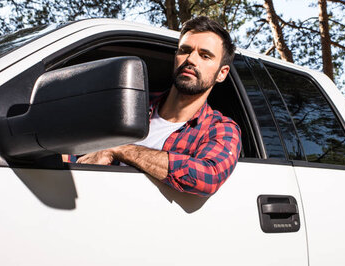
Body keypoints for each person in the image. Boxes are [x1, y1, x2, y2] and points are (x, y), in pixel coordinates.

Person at [77, 16, 241, 197]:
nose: (191, 59)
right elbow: (82, 150)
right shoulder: (129, 105)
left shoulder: (220, 129)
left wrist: (121, 150)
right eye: (185, 50)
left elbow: (207, 177)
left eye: (205, 55)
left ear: (222, 73)